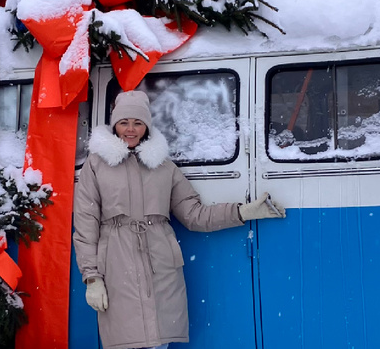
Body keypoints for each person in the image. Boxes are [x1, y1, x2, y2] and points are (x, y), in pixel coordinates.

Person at [73, 90, 285, 349]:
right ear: (115, 124)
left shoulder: (163, 166)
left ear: (147, 126)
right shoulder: (95, 166)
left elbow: (195, 215)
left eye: (138, 122)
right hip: (117, 270)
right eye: (124, 122)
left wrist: (243, 212)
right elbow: (86, 224)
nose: (131, 129)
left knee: (158, 343)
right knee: (126, 341)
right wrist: (92, 278)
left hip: (161, 267)